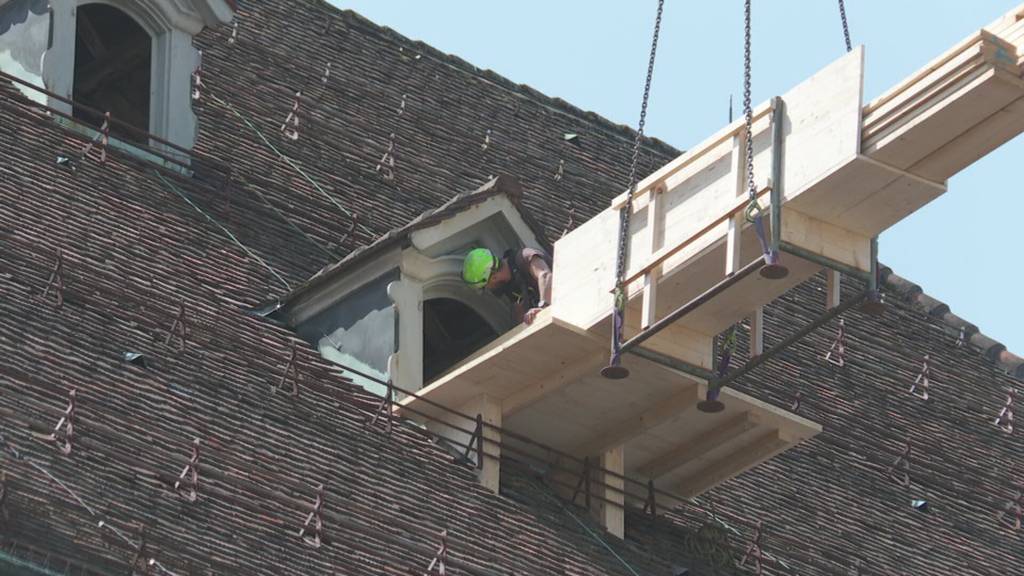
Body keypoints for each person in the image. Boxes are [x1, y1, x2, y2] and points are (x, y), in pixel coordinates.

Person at [462, 246, 552, 325]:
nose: (488, 289)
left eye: (485, 286)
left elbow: (545, 275)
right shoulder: (509, 286)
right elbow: (520, 318)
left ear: (493, 278)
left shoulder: (525, 257)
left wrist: (543, 308)